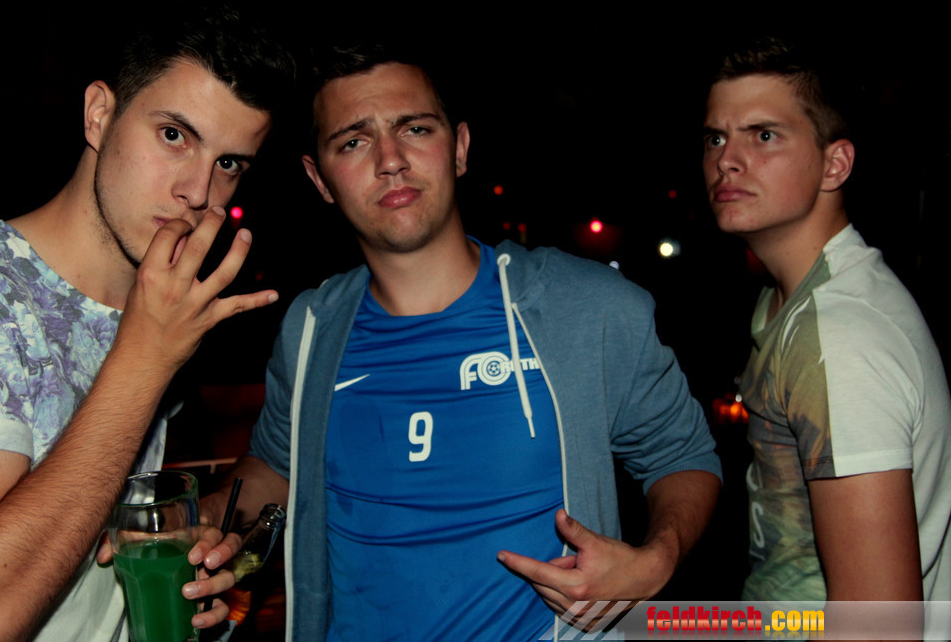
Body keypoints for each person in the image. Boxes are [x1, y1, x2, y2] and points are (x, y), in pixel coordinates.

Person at [207, 45, 721, 640]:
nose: (390, 160)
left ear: (459, 148)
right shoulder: (311, 329)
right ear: (319, 179)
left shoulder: (587, 309)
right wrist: (212, 514)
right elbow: (277, 463)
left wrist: (657, 560)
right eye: (353, 142)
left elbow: (682, 455)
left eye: (415, 129)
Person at [0, 2, 294, 642]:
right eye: (174, 135)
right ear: (99, 113)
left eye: (229, 163)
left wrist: (187, 558)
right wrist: (146, 358)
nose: (198, 192)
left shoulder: (157, 305)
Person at [702, 38, 951, 603]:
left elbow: (878, 627)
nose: (727, 159)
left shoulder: (839, 337)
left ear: (834, 164)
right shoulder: (786, 301)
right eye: (716, 137)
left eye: (764, 135)